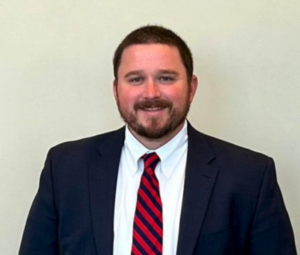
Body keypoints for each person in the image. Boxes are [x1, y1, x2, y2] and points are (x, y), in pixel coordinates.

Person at [19, 25, 297, 255]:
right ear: (116, 90)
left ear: (191, 87)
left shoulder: (250, 175)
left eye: (166, 78)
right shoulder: (66, 168)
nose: (151, 93)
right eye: (136, 79)